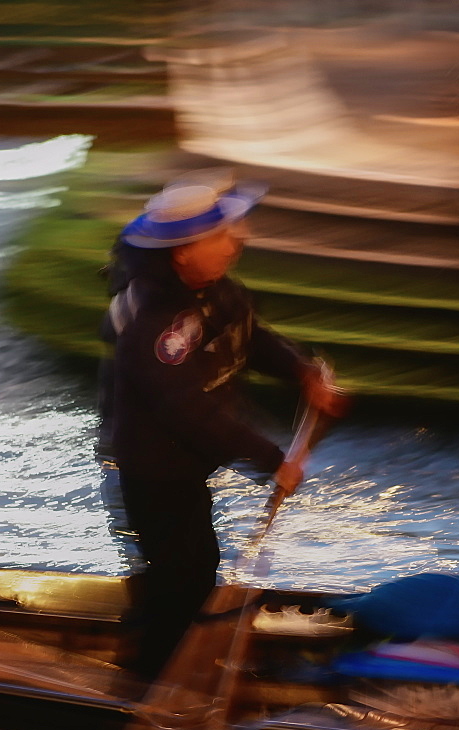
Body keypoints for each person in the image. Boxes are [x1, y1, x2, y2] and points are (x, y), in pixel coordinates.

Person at [98, 177, 342, 677]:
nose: (237, 242)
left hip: (188, 462)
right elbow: (186, 410)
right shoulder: (157, 321)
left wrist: (301, 371)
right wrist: (272, 461)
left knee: (196, 563)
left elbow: (249, 336)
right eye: (220, 236)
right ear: (182, 253)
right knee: (178, 577)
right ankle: (154, 678)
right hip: (155, 465)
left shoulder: (213, 290)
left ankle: (176, 658)